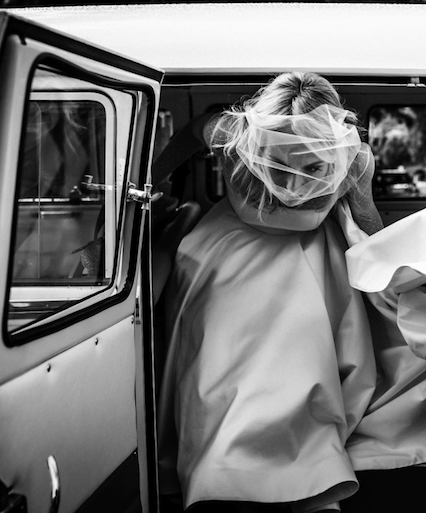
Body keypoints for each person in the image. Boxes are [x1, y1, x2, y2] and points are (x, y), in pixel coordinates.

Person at [154, 71, 382, 513]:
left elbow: (366, 216)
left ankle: (287, 473)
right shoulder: (238, 131)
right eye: (281, 157)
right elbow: (192, 130)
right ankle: (243, 472)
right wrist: (150, 183)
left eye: (313, 165)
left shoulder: (349, 154)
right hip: (240, 253)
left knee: (293, 364)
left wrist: (153, 179)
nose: (294, 186)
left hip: (285, 255)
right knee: (228, 367)